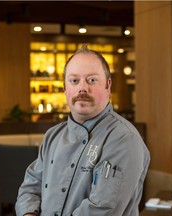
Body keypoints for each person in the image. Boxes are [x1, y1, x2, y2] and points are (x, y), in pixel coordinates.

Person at [15, 44, 150, 216]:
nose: (82, 88)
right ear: (65, 88)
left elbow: (101, 209)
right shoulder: (53, 136)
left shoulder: (123, 139)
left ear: (108, 86)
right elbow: (31, 186)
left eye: (92, 80)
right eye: (74, 80)